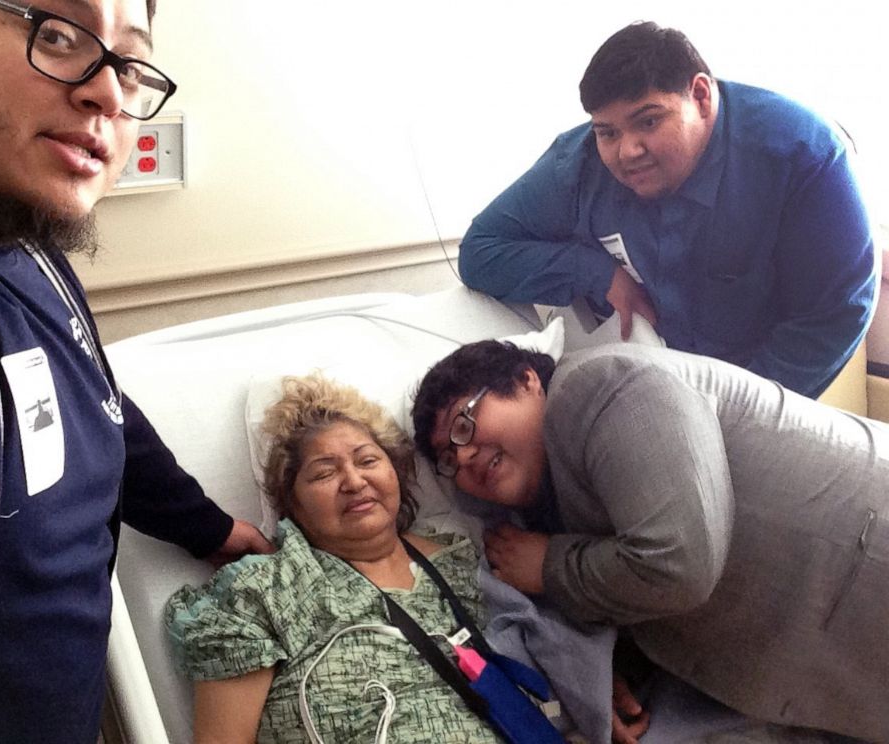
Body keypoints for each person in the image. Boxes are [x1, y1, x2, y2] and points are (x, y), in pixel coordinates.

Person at [0, 1, 272, 742]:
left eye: (129, 65)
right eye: (58, 33)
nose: (108, 92)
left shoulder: (20, 236)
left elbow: (93, 401)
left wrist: (209, 527)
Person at [411, 340, 889, 742]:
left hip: (865, 570)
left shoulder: (597, 386)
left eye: (464, 423)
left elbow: (678, 564)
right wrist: (608, 676)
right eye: (447, 460)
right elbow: (634, 583)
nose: (464, 455)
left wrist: (548, 567)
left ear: (527, 379)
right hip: (834, 666)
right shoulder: (547, 506)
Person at [457, 21, 877, 399]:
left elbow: (834, 314)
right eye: (607, 132)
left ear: (700, 95)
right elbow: (481, 251)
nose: (627, 151)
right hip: (641, 390)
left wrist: (732, 411)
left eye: (649, 122)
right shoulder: (579, 164)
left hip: (763, 390)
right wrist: (596, 272)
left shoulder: (803, 156)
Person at [166, 374, 561, 744]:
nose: (354, 481)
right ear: (293, 504)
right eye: (323, 473)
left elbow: (550, 646)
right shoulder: (264, 594)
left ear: (397, 474)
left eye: (368, 460)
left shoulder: (463, 562)